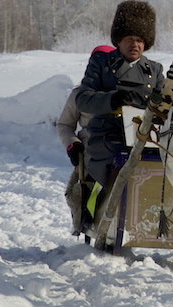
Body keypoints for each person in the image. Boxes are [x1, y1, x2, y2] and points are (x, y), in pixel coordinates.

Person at [75, 0, 165, 209]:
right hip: (107, 136)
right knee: (115, 169)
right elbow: (83, 99)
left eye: (140, 40)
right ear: (119, 40)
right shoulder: (101, 63)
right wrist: (112, 100)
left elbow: (165, 104)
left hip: (146, 137)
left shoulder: (155, 69)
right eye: (130, 39)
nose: (136, 45)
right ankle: (96, 212)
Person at [57, 44, 115, 235]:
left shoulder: (125, 92)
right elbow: (65, 124)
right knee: (77, 192)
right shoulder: (79, 94)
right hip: (90, 150)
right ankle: (87, 219)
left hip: (123, 146)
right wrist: (72, 144)